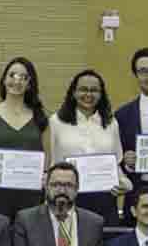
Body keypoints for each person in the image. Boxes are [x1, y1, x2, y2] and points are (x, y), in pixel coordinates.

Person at [49, 69, 131, 226]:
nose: (88, 94)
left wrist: (123, 183)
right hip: (68, 197)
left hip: (104, 198)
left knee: (106, 239)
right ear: (73, 92)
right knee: (71, 240)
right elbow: (50, 163)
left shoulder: (111, 123)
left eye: (94, 90)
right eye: (83, 89)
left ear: (101, 94)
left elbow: (116, 163)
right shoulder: (56, 122)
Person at [0, 57, 50, 220]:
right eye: (12, 75)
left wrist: (45, 176)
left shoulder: (41, 117)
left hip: (31, 194)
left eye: (23, 77)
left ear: (29, 84)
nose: (17, 81)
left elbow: (47, 159)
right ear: (4, 80)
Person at [117, 48, 148, 226]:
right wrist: (126, 162)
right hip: (137, 192)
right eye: (142, 71)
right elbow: (116, 156)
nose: (147, 76)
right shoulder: (122, 115)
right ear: (136, 75)